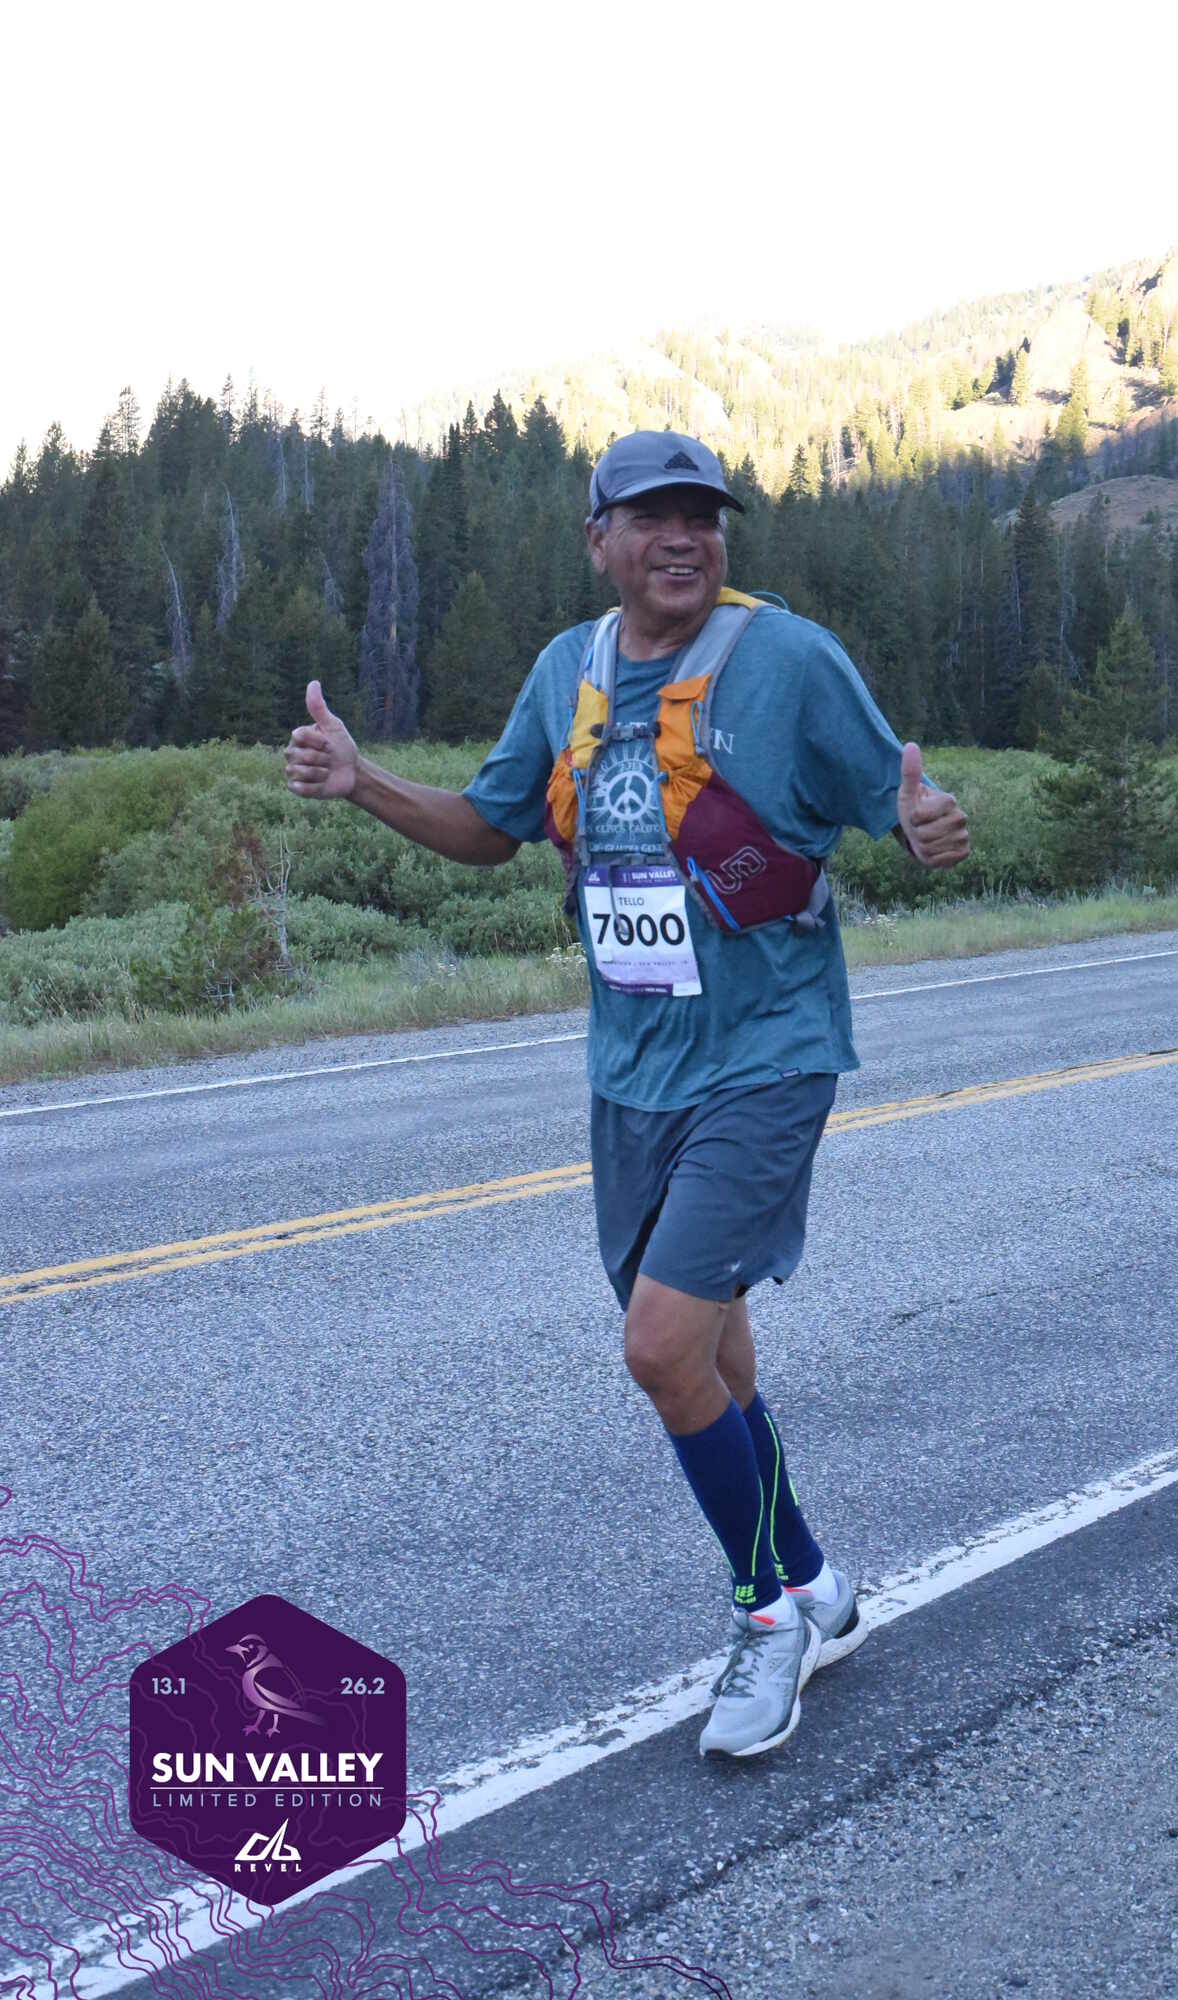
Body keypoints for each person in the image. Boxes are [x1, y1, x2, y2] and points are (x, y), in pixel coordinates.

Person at [285, 430, 970, 1760]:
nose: (682, 538)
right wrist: (362, 782)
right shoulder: (568, 671)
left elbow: (900, 792)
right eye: (651, 517)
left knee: (658, 1349)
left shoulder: (786, 658)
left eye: (701, 516)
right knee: (712, 1353)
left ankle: (765, 1624)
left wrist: (930, 821)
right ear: (598, 538)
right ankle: (816, 1584)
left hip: (767, 1054)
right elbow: (490, 828)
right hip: (631, 1069)